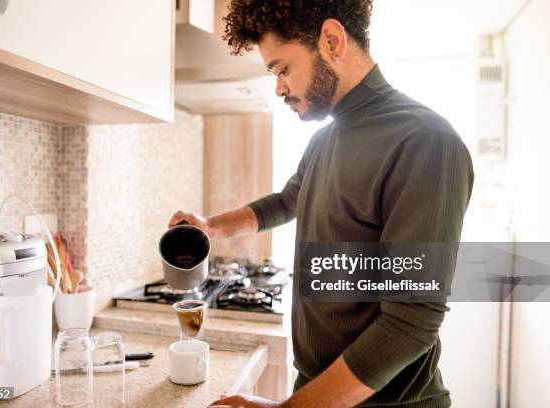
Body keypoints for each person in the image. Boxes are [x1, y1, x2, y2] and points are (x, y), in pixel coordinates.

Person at [170, 1, 474, 407]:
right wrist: (212, 226)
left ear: (331, 40)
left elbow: (411, 322)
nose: (278, 88)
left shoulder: (424, 141)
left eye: (282, 68)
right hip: (317, 389)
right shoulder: (324, 140)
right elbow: (288, 201)